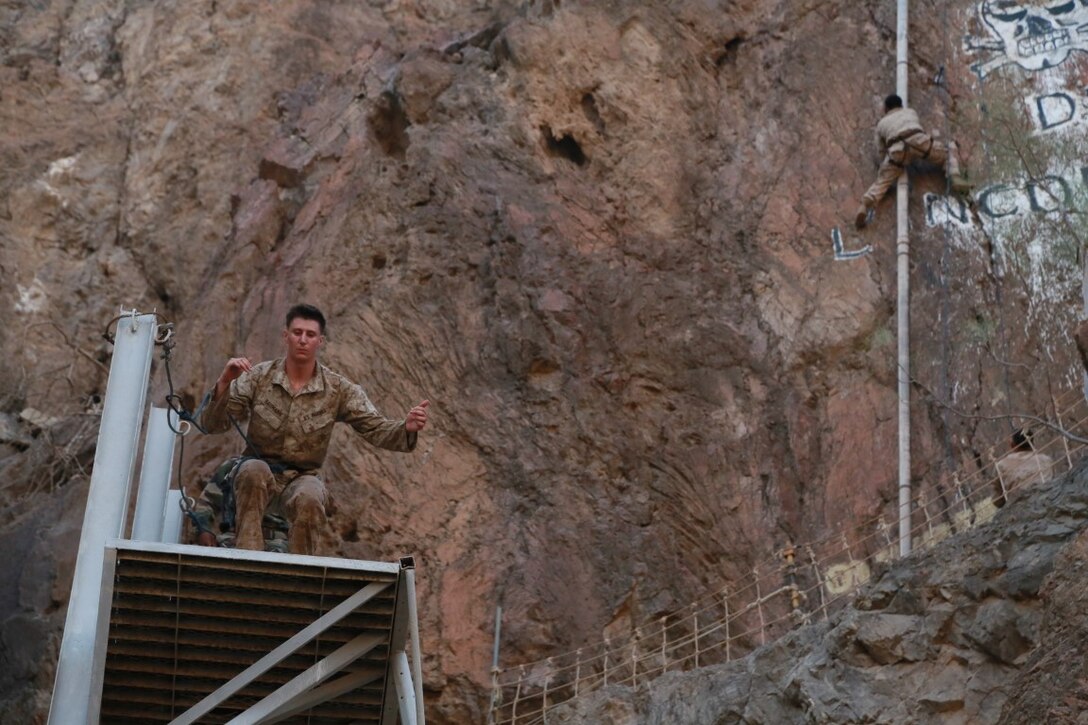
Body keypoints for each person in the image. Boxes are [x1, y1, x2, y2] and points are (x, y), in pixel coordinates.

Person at [196, 303, 429, 555]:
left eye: (310, 334)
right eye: (297, 333)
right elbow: (213, 424)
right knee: (253, 471)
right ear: (286, 336)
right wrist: (224, 382)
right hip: (258, 472)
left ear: (320, 341)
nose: (303, 340)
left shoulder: (338, 389)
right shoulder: (258, 376)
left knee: (310, 495)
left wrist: (406, 428)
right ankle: (247, 559)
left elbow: (375, 428)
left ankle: (298, 571)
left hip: (302, 478)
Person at [855, 94, 970, 229]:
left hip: (897, 149)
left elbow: (881, 151)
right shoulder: (910, 112)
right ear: (901, 105)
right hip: (918, 141)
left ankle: (865, 205)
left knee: (882, 181)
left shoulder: (881, 124)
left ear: (886, 109)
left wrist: (885, 166)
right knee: (947, 154)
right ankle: (954, 176)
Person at [993, 428, 1054, 507]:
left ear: (1012, 445)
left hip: (1020, 508)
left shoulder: (1002, 465)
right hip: (1047, 503)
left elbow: (998, 500)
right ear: (1032, 442)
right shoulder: (1046, 460)